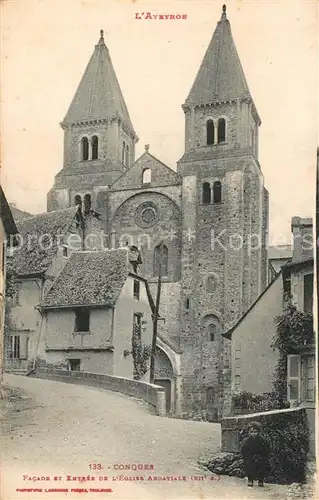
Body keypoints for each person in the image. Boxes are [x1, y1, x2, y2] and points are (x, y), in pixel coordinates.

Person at [240, 421, 270, 487]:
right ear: (249, 433)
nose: (254, 434)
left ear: (258, 432)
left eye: (255, 432)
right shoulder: (246, 441)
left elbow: (266, 450)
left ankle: (261, 480)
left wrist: (262, 456)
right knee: (248, 465)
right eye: (252, 432)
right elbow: (243, 451)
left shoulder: (263, 440)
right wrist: (248, 457)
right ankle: (250, 479)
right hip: (250, 457)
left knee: (262, 466)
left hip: (260, 456)